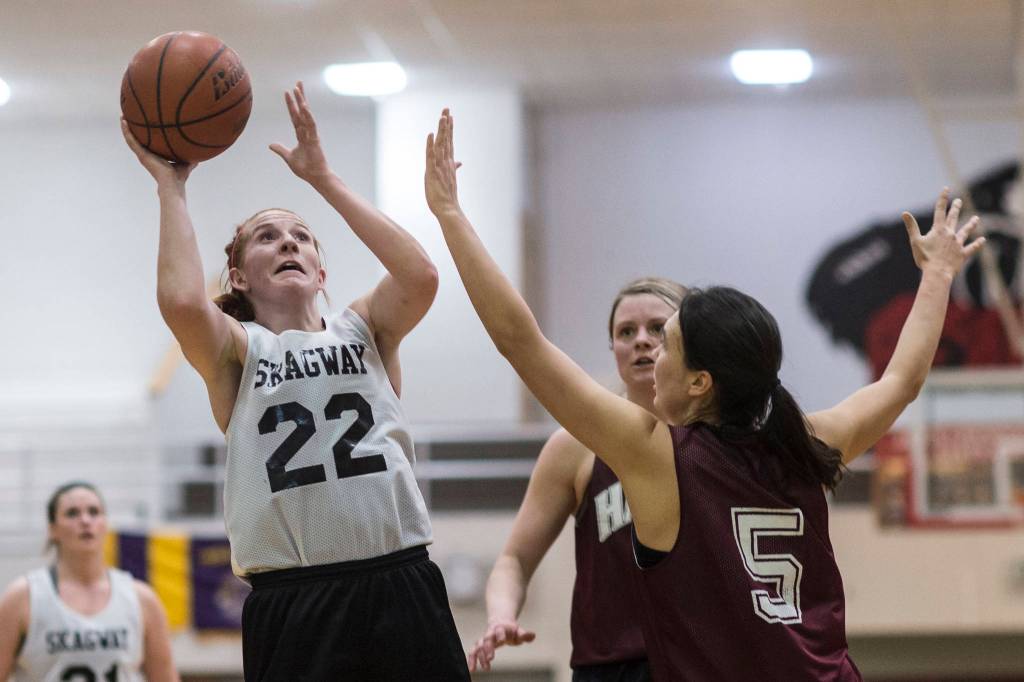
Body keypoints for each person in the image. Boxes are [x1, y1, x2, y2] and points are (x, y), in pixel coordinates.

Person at [425, 109, 984, 680]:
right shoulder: (811, 439)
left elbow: (521, 342)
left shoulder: (659, 458)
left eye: (664, 342)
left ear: (699, 381)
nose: (649, 354)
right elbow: (902, 380)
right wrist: (937, 275)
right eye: (633, 336)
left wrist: (449, 216)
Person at [122, 83, 469, 681]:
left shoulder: (365, 328)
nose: (287, 240)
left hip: (400, 575)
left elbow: (420, 273)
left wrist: (323, 180)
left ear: (320, 269)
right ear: (237, 274)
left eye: (301, 236)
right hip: (294, 595)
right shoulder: (239, 351)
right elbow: (181, 300)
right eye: (267, 236)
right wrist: (171, 187)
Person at [468, 277, 685, 680]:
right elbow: (513, 560)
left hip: (700, 660)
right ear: (613, 349)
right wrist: (501, 615)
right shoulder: (574, 447)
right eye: (625, 332)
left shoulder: (714, 440)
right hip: (611, 666)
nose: (641, 340)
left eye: (657, 327)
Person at [0, 482, 178, 681]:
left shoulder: (142, 598)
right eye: (72, 513)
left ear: (105, 524)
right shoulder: (23, 597)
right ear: (52, 529)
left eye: (94, 512)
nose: (85, 520)